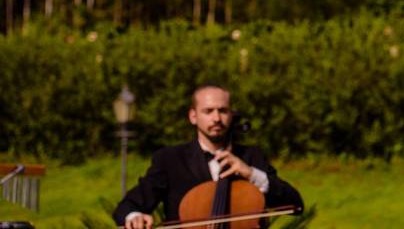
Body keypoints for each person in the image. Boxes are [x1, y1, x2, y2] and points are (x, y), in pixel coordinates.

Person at [113, 84, 303, 229]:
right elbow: (127, 206)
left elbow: (295, 205)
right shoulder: (170, 160)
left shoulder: (252, 156)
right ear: (193, 116)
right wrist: (134, 216)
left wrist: (252, 174)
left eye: (222, 110)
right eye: (208, 111)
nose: (216, 118)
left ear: (231, 114)